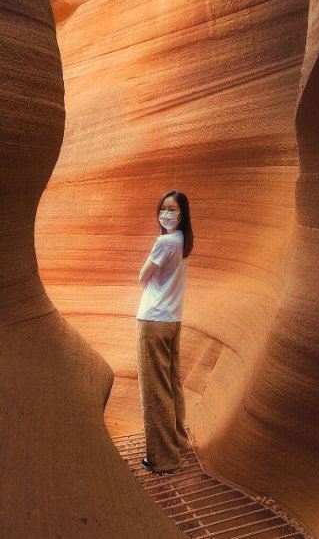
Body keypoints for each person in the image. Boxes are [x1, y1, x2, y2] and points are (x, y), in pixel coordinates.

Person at [136, 190, 193, 473]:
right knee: (172, 383)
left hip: (153, 320)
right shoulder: (184, 240)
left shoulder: (164, 242)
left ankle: (163, 458)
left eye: (172, 209)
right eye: (163, 208)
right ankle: (179, 440)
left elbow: (141, 276)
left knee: (154, 387)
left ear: (182, 214)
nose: (166, 214)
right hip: (173, 320)